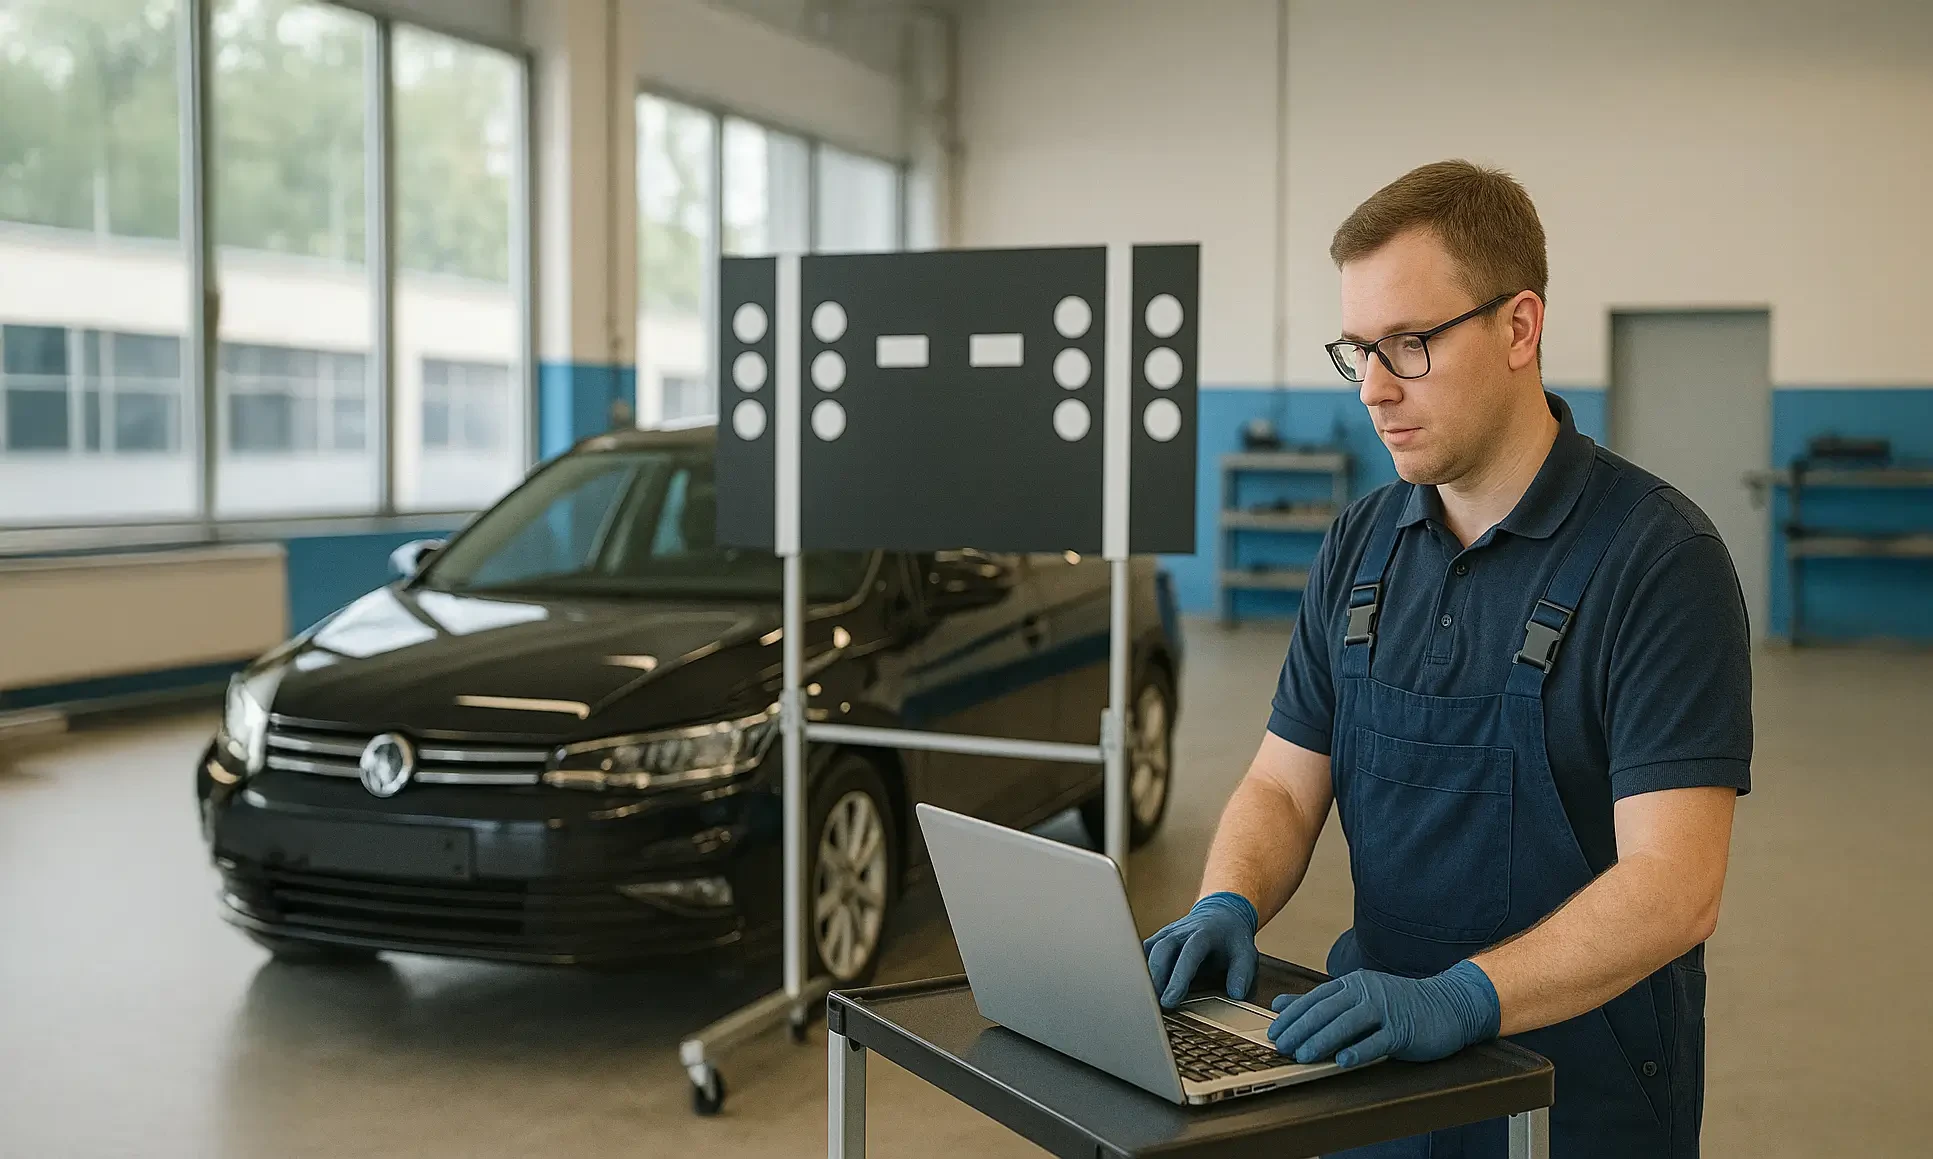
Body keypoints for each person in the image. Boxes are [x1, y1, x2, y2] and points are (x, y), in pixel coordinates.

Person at [1144, 160, 1750, 1158]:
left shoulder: (1655, 560)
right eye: (1358, 351)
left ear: (1519, 327)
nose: (1373, 389)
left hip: (1570, 1100)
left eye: (1409, 344)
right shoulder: (1359, 544)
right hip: (1370, 1078)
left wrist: (1462, 997)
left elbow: (1675, 883)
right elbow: (1284, 784)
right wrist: (1227, 896)